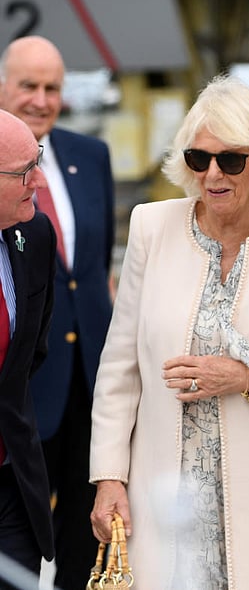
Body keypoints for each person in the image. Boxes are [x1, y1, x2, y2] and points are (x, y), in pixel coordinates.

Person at [88, 75, 249, 589]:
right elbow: (119, 368)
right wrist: (109, 477)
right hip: (165, 498)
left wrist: (248, 376)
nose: (213, 173)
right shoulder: (151, 227)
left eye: (231, 159)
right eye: (198, 158)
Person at [0, 35, 115, 590]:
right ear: (3, 86)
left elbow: (93, 272)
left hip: (87, 384)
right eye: (29, 85)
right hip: (23, 391)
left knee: (79, 539)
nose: (42, 99)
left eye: (53, 88)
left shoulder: (91, 157)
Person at [0, 109, 55, 588]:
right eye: (24, 172)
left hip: (11, 486)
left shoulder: (34, 237)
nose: (39, 178)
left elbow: (30, 354)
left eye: (35, 161)